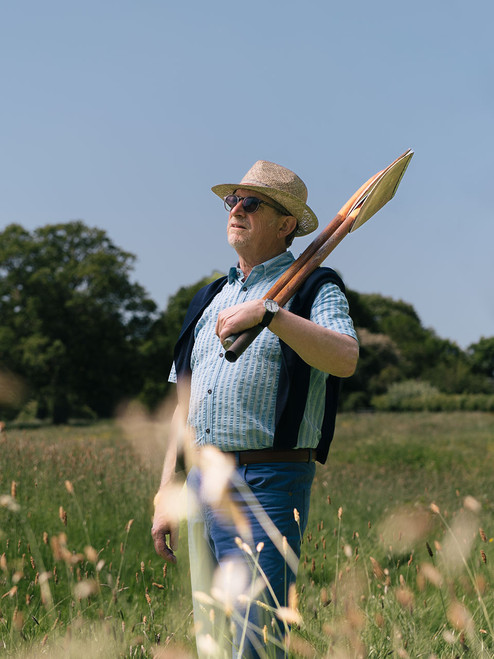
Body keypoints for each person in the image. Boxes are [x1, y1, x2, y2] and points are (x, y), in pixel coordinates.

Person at [152, 160, 359, 658]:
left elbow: (346, 357)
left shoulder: (313, 287)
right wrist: (166, 489)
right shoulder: (208, 299)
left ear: (286, 224)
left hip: (267, 483)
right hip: (202, 483)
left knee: (256, 642)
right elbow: (184, 404)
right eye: (232, 201)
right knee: (213, 642)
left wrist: (272, 314)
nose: (236, 210)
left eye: (251, 203)